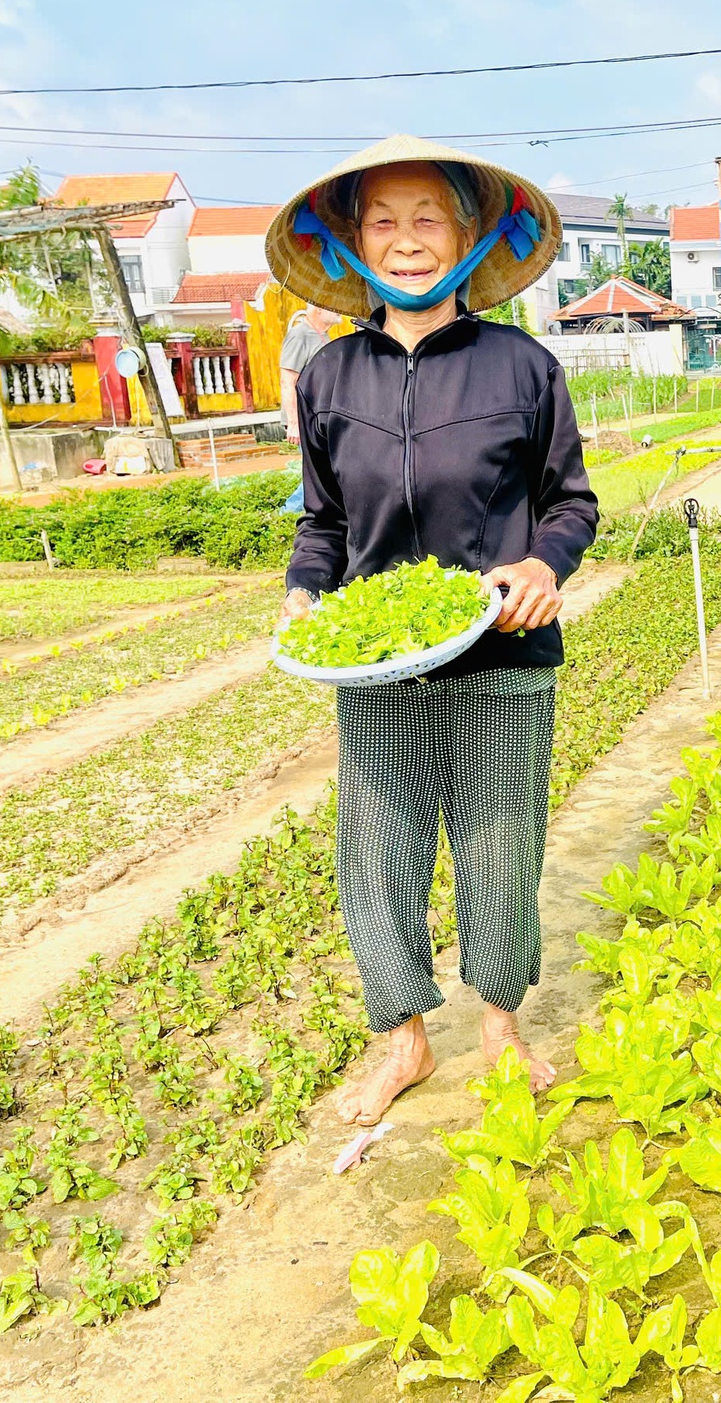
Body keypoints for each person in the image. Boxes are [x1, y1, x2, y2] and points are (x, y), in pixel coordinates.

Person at [266, 134, 592, 1122]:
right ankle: (402, 1040)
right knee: (378, 851)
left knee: (499, 846)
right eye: (382, 221)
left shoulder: (519, 366)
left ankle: (498, 1027)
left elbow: (568, 503)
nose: (405, 241)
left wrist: (542, 565)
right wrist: (301, 592)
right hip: (378, 669)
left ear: (464, 234)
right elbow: (322, 522)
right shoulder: (328, 377)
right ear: (351, 243)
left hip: (502, 657)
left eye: (426, 219)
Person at [279, 304, 336, 513]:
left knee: (327, 469)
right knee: (318, 471)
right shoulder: (299, 335)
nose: (338, 310)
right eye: (332, 306)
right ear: (319, 309)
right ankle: (287, 513)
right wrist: (294, 424)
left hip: (322, 419)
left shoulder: (324, 337)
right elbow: (287, 380)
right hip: (305, 419)